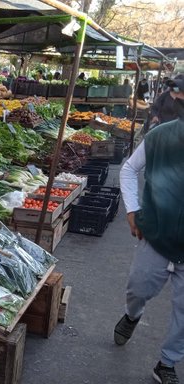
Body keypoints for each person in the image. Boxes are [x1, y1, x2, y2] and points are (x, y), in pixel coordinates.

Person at [116, 96, 184, 384]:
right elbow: (129, 169)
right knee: (138, 288)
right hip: (156, 235)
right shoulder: (160, 136)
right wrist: (132, 210)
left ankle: (166, 362)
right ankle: (132, 315)